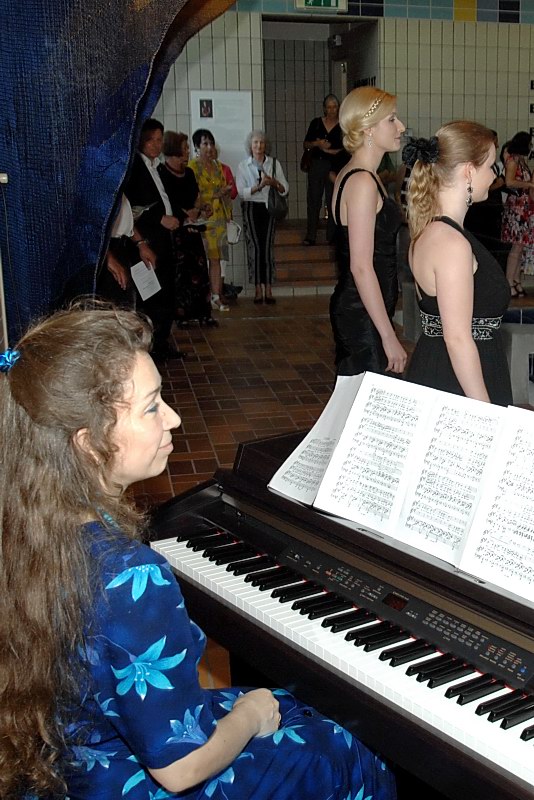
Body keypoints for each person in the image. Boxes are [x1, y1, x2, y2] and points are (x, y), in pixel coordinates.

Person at [0, 302, 398, 800]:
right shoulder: (129, 575)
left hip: (58, 760)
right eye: (151, 407)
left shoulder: (25, 525)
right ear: (88, 443)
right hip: (128, 783)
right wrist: (249, 716)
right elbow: (181, 769)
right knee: (342, 747)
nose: (174, 417)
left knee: (291, 706)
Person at [404, 122, 513, 406]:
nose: (494, 175)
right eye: (490, 166)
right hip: (458, 382)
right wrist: (485, 412)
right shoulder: (451, 244)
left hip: (442, 368)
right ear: (469, 171)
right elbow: (457, 339)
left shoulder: (430, 231)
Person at [329, 87, 407, 376]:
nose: (401, 127)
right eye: (392, 119)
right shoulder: (362, 182)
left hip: (366, 308)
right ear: (368, 128)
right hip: (361, 313)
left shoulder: (364, 175)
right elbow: (361, 266)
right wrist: (388, 336)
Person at [124, 118, 185, 361]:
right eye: (152, 140)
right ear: (141, 140)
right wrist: (159, 219)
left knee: (166, 293)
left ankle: (161, 343)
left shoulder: (156, 166)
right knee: (151, 296)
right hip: (146, 240)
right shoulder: (135, 167)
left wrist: (181, 215)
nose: (156, 145)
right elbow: (131, 207)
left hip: (164, 238)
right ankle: (150, 349)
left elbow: (164, 200)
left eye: (160, 140)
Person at [159, 131, 216, 327]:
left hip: (193, 228)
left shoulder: (189, 173)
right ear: (174, 150)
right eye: (184, 148)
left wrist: (201, 209)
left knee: (199, 270)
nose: (188, 152)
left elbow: (196, 197)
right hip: (176, 230)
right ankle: (181, 314)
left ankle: (203, 312)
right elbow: (165, 202)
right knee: (180, 274)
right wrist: (185, 215)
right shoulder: (162, 172)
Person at [236, 130, 289, 304]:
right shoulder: (243, 166)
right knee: (255, 248)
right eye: (255, 143)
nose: (259, 146)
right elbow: (241, 192)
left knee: (267, 248)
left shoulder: (273, 163)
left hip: (269, 208)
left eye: (261, 142)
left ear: (266, 145)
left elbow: (285, 189)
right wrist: (259, 187)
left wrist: (272, 182)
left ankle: (268, 289)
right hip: (251, 208)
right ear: (250, 146)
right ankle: (258, 288)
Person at [189, 129, 233, 311]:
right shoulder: (192, 167)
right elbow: (194, 194)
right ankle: (200, 298)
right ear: (197, 147)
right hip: (202, 219)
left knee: (216, 259)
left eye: (211, 143)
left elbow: (225, 189)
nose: (209, 147)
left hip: (219, 218)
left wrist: (227, 206)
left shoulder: (217, 166)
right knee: (200, 259)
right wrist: (216, 194)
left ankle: (216, 296)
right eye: (205, 143)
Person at [303, 94, 343, 245]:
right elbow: (306, 144)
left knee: (333, 200)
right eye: (329, 107)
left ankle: (331, 236)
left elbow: (348, 147)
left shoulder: (343, 126)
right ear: (324, 109)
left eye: (334, 107)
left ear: (338, 108)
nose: (332, 110)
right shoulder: (316, 123)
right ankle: (311, 235)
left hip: (335, 166)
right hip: (317, 164)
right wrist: (317, 143)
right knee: (313, 199)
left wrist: (330, 151)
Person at [501, 130, 534, 297]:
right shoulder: (513, 160)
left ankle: (515, 279)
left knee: (520, 247)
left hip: (524, 207)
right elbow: (509, 181)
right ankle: (508, 281)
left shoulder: (521, 161)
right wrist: (529, 185)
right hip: (517, 208)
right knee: (516, 247)